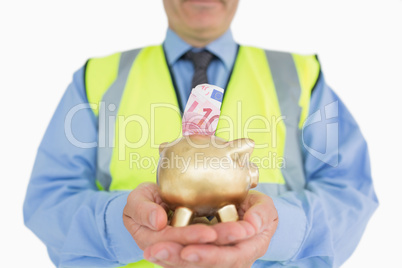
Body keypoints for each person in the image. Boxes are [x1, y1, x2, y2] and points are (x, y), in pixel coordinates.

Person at [23, 0, 378, 267]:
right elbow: (50, 199)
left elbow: (349, 192)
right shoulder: (98, 76)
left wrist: (278, 228)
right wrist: (123, 223)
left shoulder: (300, 73)